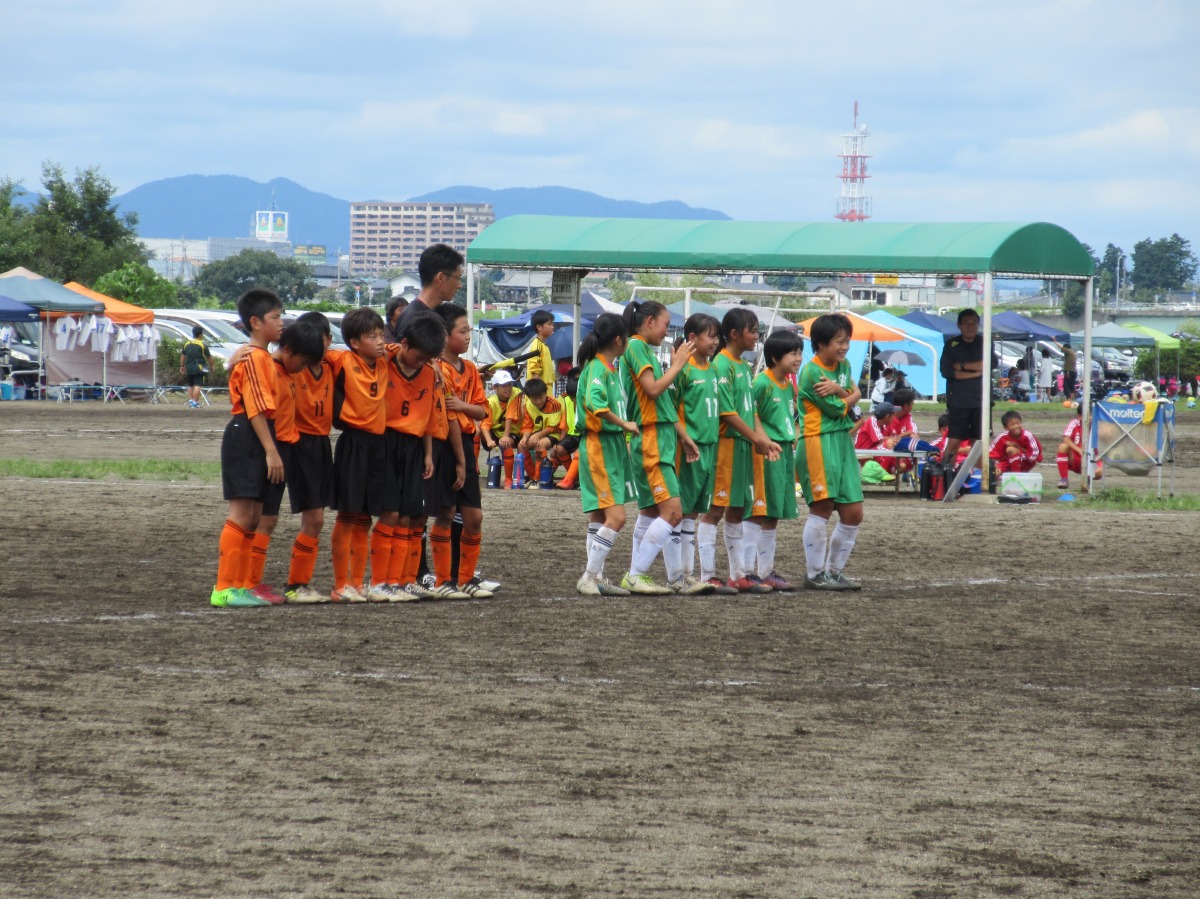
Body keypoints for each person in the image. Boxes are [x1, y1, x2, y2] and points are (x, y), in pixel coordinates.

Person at [238, 320, 326, 606]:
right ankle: (247, 584)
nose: (304, 368)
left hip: (289, 447)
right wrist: (270, 451)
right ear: (287, 350)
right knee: (261, 518)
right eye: (303, 361)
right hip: (271, 448)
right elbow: (252, 405)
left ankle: (265, 584)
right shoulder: (267, 368)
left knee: (272, 519)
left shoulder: (289, 370)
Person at [211, 289, 287, 608]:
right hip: (248, 433)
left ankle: (242, 585)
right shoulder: (254, 357)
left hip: (257, 432)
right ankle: (225, 588)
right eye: (275, 317)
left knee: (254, 516)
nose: (281, 323)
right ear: (255, 322)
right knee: (242, 514)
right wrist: (271, 450)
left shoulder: (261, 356)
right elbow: (254, 408)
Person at [367, 311, 451, 601]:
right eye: (419, 356)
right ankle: (379, 582)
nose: (422, 362)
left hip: (415, 447)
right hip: (387, 442)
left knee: (410, 517)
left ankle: (401, 581)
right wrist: (392, 348)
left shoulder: (428, 373)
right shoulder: (385, 361)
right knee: (390, 513)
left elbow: (427, 417)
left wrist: (428, 455)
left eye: (428, 358)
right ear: (403, 344)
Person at [621, 300, 702, 595]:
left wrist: (682, 435)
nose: (667, 331)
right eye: (666, 324)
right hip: (652, 438)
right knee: (673, 512)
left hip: (660, 435)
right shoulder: (636, 347)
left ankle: (671, 578)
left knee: (650, 511)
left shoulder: (643, 349)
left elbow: (661, 401)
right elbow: (654, 390)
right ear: (650, 321)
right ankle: (636, 574)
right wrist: (678, 364)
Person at [699, 308, 781, 594]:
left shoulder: (744, 367)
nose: (756, 336)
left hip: (744, 446)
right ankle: (707, 575)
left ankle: (739, 575)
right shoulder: (721, 364)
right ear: (734, 334)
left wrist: (764, 440)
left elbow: (751, 412)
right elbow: (727, 413)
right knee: (715, 510)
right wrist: (757, 439)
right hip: (727, 445)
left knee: (735, 510)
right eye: (752, 330)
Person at [796, 312, 865, 592]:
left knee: (854, 512)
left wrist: (843, 391)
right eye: (839, 341)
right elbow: (840, 407)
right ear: (820, 343)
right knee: (822, 507)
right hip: (818, 441)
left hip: (842, 441)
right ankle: (815, 574)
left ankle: (834, 572)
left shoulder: (844, 364)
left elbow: (852, 397)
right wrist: (848, 393)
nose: (844, 347)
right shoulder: (811, 372)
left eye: (847, 340)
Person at [326, 307, 391, 603]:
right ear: (354, 342)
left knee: (365, 516)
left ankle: (357, 582)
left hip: (379, 444)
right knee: (348, 514)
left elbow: (409, 350)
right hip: (354, 443)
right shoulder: (342, 359)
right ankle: (340, 585)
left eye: (381, 334)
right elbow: (307, 351)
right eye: (371, 336)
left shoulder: (385, 358)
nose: (380, 341)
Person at [574, 313, 639, 596]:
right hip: (600, 445)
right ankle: (589, 577)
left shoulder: (607, 368)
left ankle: (597, 577)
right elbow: (595, 403)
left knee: (599, 517)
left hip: (608, 445)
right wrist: (625, 424)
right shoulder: (598, 368)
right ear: (618, 340)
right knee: (617, 517)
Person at [433, 302, 494, 598]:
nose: (468, 336)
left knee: (474, 518)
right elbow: (451, 417)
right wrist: (459, 460)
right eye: (462, 331)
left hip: (467, 446)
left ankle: (465, 579)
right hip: (446, 446)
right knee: (446, 512)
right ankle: (443, 581)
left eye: (468, 330)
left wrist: (462, 405)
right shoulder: (438, 369)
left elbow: (482, 411)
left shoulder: (469, 368)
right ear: (444, 336)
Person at [671, 314, 734, 594]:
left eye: (717, 336)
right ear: (692, 338)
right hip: (689, 448)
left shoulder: (712, 369)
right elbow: (668, 409)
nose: (716, 341)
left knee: (693, 513)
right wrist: (684, 439)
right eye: (711, 336)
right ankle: (678, 575)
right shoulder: (682, 369)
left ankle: (688, 574)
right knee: (681, 511)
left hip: (710, 447)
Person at [282, 312, 338, 603]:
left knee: (316, 519)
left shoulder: (332, 364)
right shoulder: (295, 368)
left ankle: (300, 584)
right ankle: (296, 585)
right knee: (313, 518)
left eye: (324, 340)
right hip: (300, 443)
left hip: (321, 444)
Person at [746, 328, 804, 591]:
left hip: (784, 453)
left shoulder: (788, 384)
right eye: (792, 353)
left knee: (773, 515)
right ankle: (747, 571)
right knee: (759, 511)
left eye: (800, 352)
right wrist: (763, 441)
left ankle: (766, 571)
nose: (798, 358)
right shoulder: (762, 382)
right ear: (774, 357)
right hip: (767, 453)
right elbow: (750, 413)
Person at [938, 309, 985, 473]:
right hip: (958, 401)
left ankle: (978, 478)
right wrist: (976, 373)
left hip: (981, 400)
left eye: (974, 323)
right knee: (954, 440)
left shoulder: (984, 342)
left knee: (979, 441)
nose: (970, 327)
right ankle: (945, 476)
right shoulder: (952, 345)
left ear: (978, 325)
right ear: (959, 325)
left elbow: (988, 364)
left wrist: (962, 366)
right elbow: (947, 371)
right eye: (966, 323)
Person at [392, 243, 463, 338]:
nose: (459, 285)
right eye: (458, 278)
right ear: (441, 278)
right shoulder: (413, 318)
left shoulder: (436, 313)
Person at [513, 378, 565, 486]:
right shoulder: (528, 405)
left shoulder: (554, 404)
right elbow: (527, 426)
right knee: (521, 446)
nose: (538, 401)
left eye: (541, 397)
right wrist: (525, 437)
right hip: (537, 433)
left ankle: (538, 478)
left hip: (554, 434)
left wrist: (538, 435)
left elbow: (554, 426)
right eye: (534, 398)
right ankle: (531, 476)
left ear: (546, 393)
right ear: (529, 397)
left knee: (540, 445)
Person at [480, 369, 522, 488]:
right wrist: (489, 440)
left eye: (509, 384)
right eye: (503, 385)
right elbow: (485, 424)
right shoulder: (491, 402)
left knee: (506, 443)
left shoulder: (516, 393)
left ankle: (508, 478)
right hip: (496, 432)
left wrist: (506, 435)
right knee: (476, 431)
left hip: (513, 431)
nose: (507, 388)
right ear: (495, 387)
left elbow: (510, 415)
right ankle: (474, 467)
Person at [1056, 402, 1103, 489]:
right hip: (1077, 459)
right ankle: (1064, 479)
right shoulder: (1075, 423)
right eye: (1088, 415)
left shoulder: (1100, 425)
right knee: (1063, 447)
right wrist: (1079, 450)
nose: (1090, 418)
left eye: (1092, 415)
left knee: (1099, 472)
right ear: (1079, 416)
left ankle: (1087, 480)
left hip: (1093, 460)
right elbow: (1066, 438)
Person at [988, 409, 1042, 474]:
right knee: (993, 472)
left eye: (1018, 423)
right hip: (1008, 462)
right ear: (1006, 428)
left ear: (1021, 422)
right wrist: (996, 466)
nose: (1016, 426)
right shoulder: (1002, 437)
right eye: (1012, 425)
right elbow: (991, 454)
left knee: (1011, 449)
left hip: (1026, 462)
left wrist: (1017, 451)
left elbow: (1034, 456)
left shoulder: (1027, 435)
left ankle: (1017, 475)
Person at [180, 325, 212, 409]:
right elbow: (209, 357)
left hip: (189, 367)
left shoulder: (187, 344)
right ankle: (195, 402)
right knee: (198, 384)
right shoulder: (202, 345)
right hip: (199, 367)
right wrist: (212, 366)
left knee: (190, 385)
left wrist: (182, 366)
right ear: (200, 335)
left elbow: (182, 355)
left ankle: (191, 401)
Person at [526, 309, 556, 396]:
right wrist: (538, 394)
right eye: (549, 324)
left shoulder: (543, 345)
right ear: (539, 327)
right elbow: (535, 371)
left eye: (552, 324)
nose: (552, 327)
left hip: (546, 390)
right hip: (540, 393)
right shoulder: (537, 345)